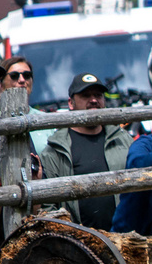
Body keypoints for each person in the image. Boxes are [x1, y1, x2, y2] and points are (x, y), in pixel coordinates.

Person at [40, 74, 132, 231]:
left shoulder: (123, 140)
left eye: (98, 95)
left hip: (124, 240)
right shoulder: (54, 150)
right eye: (86, 95)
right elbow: (48, 207)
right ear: (71, 103)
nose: (94, 100)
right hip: (77, 245)